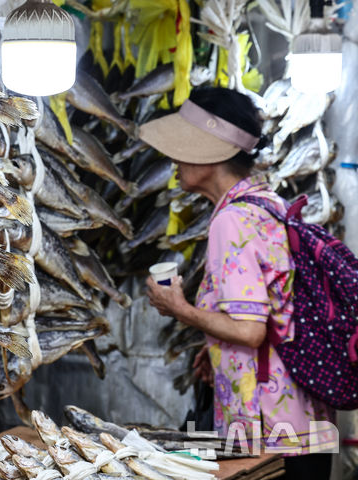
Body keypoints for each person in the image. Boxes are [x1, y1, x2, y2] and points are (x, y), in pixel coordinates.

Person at [140, 87, 337, 479]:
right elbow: (274, 313)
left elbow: (249, 331)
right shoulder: (269, 202)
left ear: (212, 152)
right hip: (304, 423)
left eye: (183, 146)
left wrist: (180, 309)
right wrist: (214, 346)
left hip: (270, 435)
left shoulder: (232, 221)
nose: (173, 159)